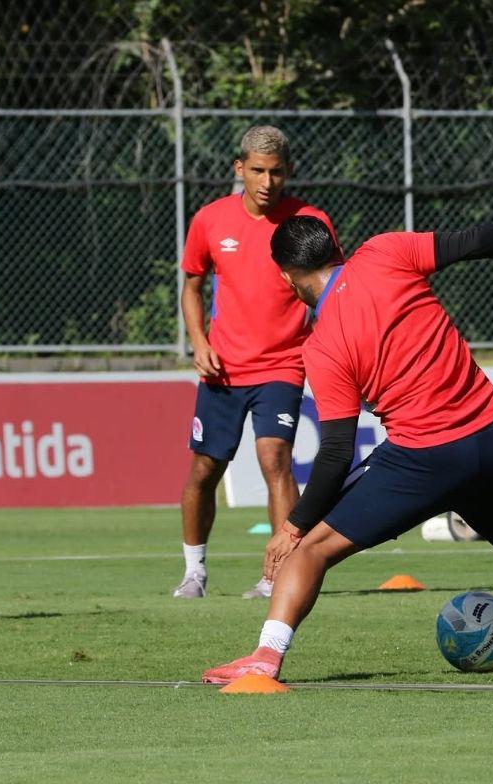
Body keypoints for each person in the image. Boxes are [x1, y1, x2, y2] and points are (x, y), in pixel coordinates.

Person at [202, 208, 493, 684]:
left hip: (422, 458)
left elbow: (336, 453)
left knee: (310, 550)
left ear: (287, 278)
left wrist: (293, 526)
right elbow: (475, 240)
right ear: (337, 248)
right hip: (491, 438)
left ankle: (266, 658)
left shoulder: (322, 345)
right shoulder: (386, 251)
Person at [173, 125, 342, 601]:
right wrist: (197, 341)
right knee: (206, 470)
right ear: (239, 168)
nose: (268, 182)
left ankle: (276, 576)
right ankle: (194, 572)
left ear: (289, 172)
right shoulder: (210, 220)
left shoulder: (309, 220)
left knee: (275, 460)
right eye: (258, 171)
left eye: (277, 172)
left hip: (284, 364)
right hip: (223, 368)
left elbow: (335, 284)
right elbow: (191, 286)